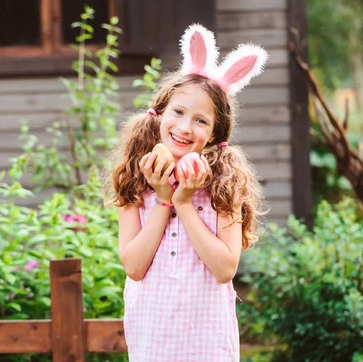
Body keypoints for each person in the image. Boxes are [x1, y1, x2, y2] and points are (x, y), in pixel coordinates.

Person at [104, 24, 269, 361]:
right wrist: (164, 197)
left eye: (200, 121)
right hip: (153, 338)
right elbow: (134, 266)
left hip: (208, 343)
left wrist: (184, 202)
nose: (184, 127)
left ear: (213, 134)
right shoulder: (136, 177)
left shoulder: (225, 183)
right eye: (178, 112)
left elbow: (225, 269)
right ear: (160, 113)